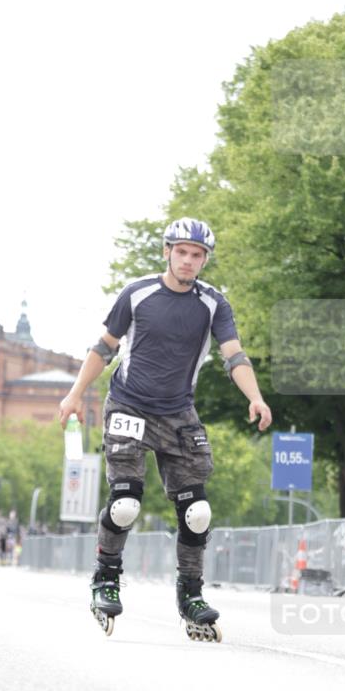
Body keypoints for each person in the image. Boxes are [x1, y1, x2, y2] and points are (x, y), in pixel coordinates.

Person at [58, 217, 272, 634]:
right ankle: (106, 579)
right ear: (167, 252)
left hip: (178, 414)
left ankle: (190, 594)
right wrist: (73, 394)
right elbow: (104, 347)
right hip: (129, 407)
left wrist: (256, 397)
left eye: (198, 255)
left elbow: (234, 355)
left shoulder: (213, 304)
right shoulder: (137, 295)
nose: (189, 261)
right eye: (182, 253)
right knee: (126, 503)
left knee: (197, 513)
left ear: (205, 259)